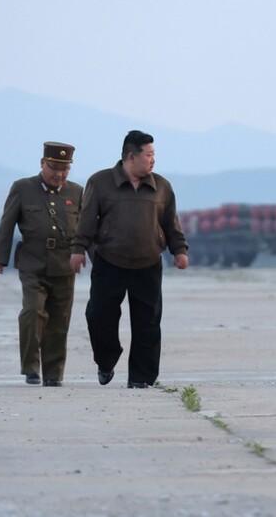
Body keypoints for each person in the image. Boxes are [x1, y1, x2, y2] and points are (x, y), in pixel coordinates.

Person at [70, 130, 188, 388]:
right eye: (149, 155)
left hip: (148, 264)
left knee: (148, 323)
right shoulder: (100, 182)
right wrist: (78, 249)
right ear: (131, 156)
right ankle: (106, 360)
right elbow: (86, 220)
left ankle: (141, 378)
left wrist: (179, 250)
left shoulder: (162, 186)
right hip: (109, 261)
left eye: (154, 154)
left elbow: (171, 222)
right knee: (98, 316)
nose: (153, 160)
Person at [0, 142, 82, 386]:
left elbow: (85, 229)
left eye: (64, 169)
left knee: (59, 321)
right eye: (54, 168)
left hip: (64, 265)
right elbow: (7, 224)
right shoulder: (23, 188)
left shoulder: (76, 192)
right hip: (33, 262)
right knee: (33, 312)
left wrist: (89, 255)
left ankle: (54, 375)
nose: (59, 174)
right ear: (42, 164)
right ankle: (31, 367)